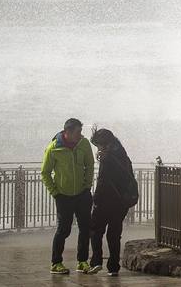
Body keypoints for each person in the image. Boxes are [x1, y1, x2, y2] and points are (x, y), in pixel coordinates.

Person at [42, 117, 95, 273]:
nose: (80, 134)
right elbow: (45, 173)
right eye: (78, 132)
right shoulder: (53, 148)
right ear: (67, 132)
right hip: (63, 196)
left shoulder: (84, 144)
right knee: (64, 230)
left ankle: (82, 261)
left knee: (85, 228)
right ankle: (56, 263)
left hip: (82, 194)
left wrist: (87, 186)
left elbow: (90, 165)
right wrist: (55, 193)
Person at [86, 127, 139, 275]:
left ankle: (96, 261)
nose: (97, 148)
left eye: (98, 145)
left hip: (105, 201)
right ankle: (113, 267)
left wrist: (95, 200)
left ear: (104, 144)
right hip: (121, 202)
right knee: (114, 234)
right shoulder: (123, 155)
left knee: (95, 231)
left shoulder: (107, 158)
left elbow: (103, 181)